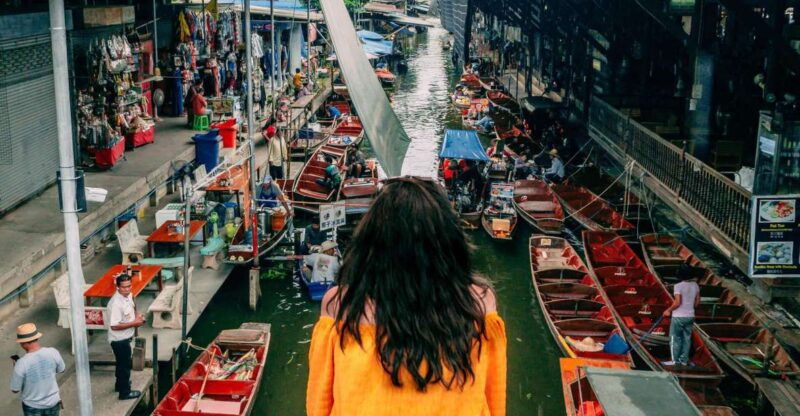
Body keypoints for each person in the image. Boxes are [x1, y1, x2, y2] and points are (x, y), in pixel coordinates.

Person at [306, 177, 506, 416]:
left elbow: (319, 402)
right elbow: (494, 396)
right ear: (449, 243)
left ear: (372, 241)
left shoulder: (340, 304)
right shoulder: (480, 302)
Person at [10, 323, 65, 416]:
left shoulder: (21, 363)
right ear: (37, 338)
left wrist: (16, 367)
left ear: (23, 343)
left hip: (32, 407)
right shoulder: (52, 352)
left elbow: (15, 389)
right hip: (53, 403)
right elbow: (61, 369)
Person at [108, 273, 145, 400]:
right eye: (124, 287)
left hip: (127, 336)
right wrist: (135, 323)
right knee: (125, 366)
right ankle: (124, 392)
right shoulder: (116, 304)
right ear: (117, 287)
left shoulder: (129, 295)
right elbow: (114, 326)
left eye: (129, 286)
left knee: (121, 364)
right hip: (119, 340)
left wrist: (137, 316)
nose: (127, 289)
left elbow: (132, 308)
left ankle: (120, 385)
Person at [662, 264, 700, 367]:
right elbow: (697, 303)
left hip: (678, 316)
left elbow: (677, 303)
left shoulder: (678, 286)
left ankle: (675, 361)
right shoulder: (695, 286)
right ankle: (684, 360)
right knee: (686, 338)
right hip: (690, 316)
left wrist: (668, 310)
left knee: (675, 338)